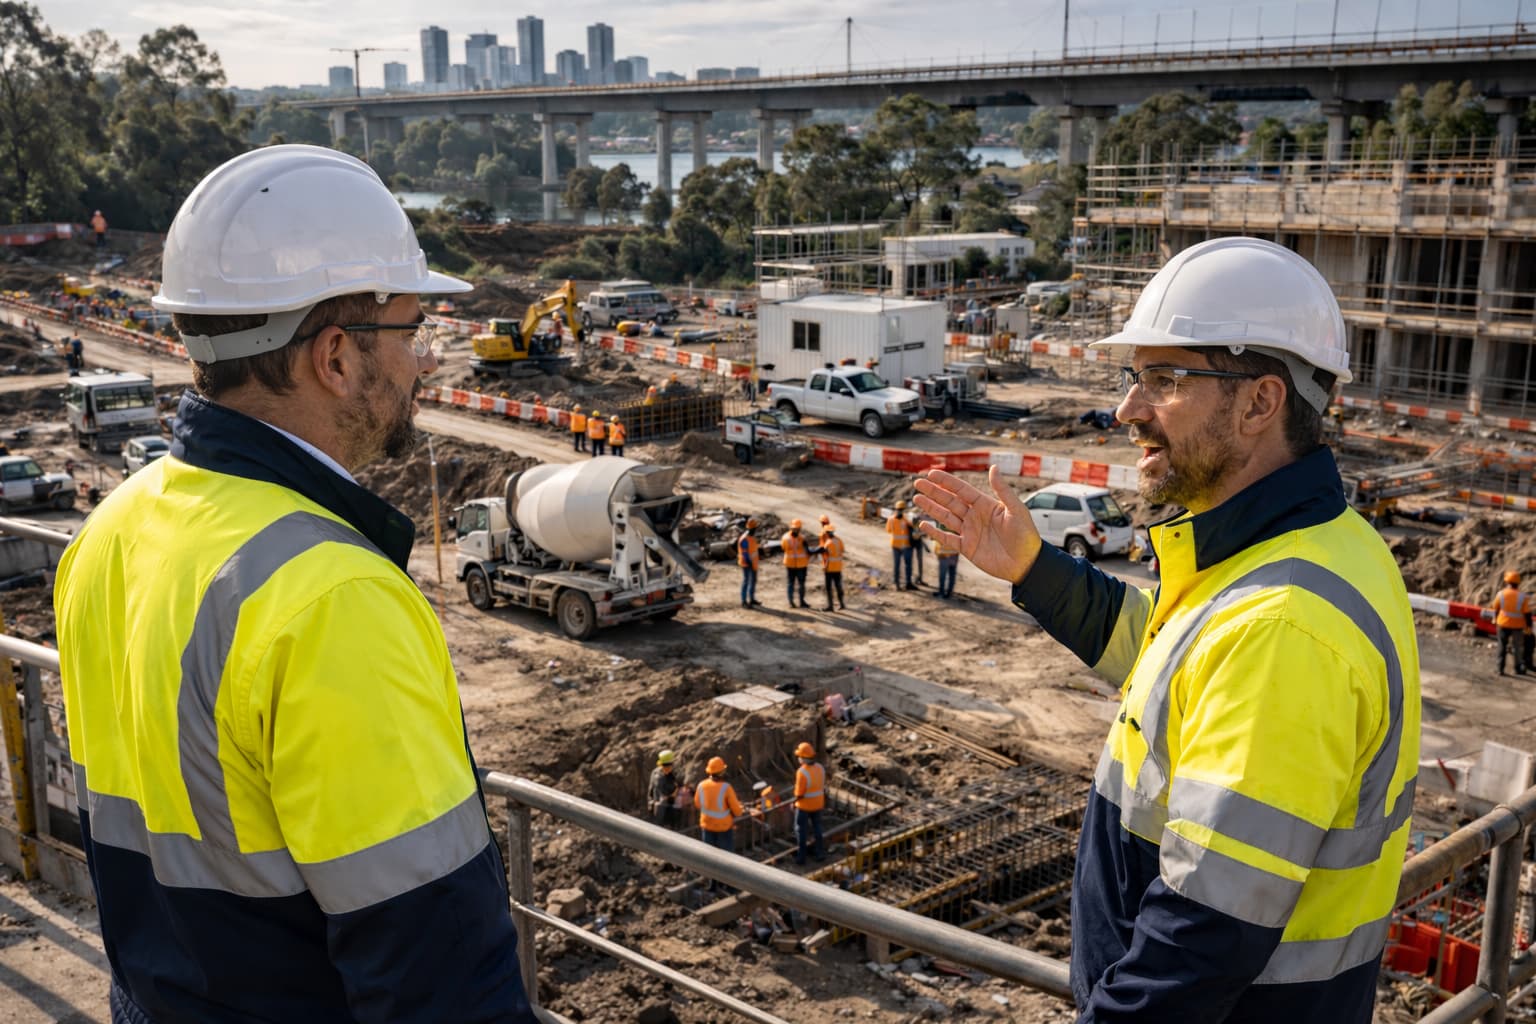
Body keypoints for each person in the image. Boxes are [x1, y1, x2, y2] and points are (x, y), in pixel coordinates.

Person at [53, 146, 535, 1022]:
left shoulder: (109, 532)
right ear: (339, 357)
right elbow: (438, 977)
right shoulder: (330, 598)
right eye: (412, 332)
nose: (424, 364)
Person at [914, 236, 1419, 1023]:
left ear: (1259, 402)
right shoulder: (1308, 545)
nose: (1128, 410)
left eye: (1165, 379)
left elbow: (1203, 938)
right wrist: (1035, 568)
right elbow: (1172, 658)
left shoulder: (1283, 626)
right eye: (1134, 377)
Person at [696, 756, 743, 852]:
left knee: (708, 856)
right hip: (723, 828)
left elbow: (697, 804)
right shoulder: (726, 788)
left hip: (707, 825)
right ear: (722, 772)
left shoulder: (701, 785)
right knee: (726, 859)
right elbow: (737, 811)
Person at [1492, 570, 1533, 677]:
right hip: (1517, 626)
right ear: (1518, 583)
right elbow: (1527, 614)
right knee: (1517, 648)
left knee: (1502, 646)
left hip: (1502, 624)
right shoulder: (1523, 597)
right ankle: (1517, 668)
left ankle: (1499, 669)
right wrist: (1529, 627)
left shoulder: (1501, 594)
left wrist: (1496, 620)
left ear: (1507, 582)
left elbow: (1496, 609)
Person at [792, 742, 826, 865]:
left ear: (804, 758)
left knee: (801, 830)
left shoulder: (802, 772)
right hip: (818, 804)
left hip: (804, 806)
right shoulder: (820, 768)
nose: (798, 758)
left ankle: (801, 857)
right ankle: (820, 853)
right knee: (817, 829)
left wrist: (794, 802)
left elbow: (799, 793)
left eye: (799, 756)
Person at [782, 518, 810, 608]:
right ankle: (791, 602)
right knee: (791, 583)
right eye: (796, 529)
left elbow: (806, 550)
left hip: (800, 564)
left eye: (798, 529)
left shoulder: (801, 538)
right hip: (792, 564)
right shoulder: (787, 538)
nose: (797, 530)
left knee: (800, 584)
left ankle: (801, 601)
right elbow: (784, 548)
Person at [649, 750, 681, 829]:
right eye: (665, 766)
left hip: (669, 809)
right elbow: (655, 791)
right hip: (660, 808)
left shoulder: (673, 775)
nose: (667, 769)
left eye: (669, 766)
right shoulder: (658, 776)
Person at [820, 521, 847, 611]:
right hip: (838, 567)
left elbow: (826, 557)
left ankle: (830, 606)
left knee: (828, 587)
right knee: (838, 586)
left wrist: (825, 567)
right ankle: (842, 603)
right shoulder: (839, 540)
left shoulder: (828, 543)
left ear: (827, 533)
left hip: (830, 568)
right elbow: (842, 551)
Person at [887, 500, 914, 590]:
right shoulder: (894, 519)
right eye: (899, 510)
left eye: (900, 510)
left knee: (905, 565)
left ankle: (907, 583)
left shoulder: (905, 519)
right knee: (899, 565)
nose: (899, 511)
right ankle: (898, 584)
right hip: (899, 546)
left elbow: (913, 527)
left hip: (904, 545)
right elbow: (889, 530)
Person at [738, 517, 761, 608]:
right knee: (746, 581)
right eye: (755, 528)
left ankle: (751, 599)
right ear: (751, 529)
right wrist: (749, 563)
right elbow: (744, 553)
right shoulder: (744, 539)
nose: (756, 530)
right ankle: (744, 601)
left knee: (753, 581)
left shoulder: (752, 537)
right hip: (747, 564)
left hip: (753, 563)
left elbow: (753, 550)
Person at [934, 528, 959, 599]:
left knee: (943, 576)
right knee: (951, 575)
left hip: (945, 556)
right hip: (952, 555)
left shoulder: (942, 527)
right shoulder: (954, 528)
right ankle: (948, 593)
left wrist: (937, 552)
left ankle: (943, 592)